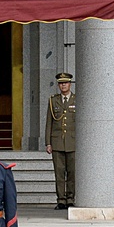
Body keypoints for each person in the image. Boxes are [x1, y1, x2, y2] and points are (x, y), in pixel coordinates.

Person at [44, 72, 76, 209]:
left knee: (72, 173)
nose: (63, 85)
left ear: (70, 84)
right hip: (57, 142)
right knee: (59, 173)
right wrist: (48, 142)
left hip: (73, 142)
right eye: (61, 83)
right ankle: (61, 200)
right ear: (58, 85)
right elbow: (49, 123)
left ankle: (70, 199)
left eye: (66, 83)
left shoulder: (77, 99)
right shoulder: (53, 100)